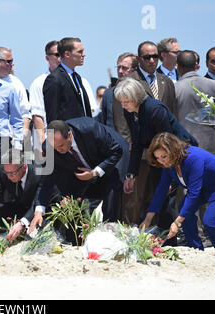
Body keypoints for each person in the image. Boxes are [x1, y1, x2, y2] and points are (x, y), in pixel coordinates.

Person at [115, 77, 196, 242]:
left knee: (169, 194)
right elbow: (137, 143)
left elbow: (167, 142)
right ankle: (166, 233)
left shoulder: (155, 109)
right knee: (158, 193)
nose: (123, 105)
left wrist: (171, 174)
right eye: (121, 102)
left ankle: (180, 236)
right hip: (157, 155)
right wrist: (131, 174)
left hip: (177, 153)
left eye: (126, 101)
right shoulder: (129, 111)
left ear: (136, 98)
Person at [33, 118, 128, 242]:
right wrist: (39, 211)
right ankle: (75, 240)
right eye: (55, 148)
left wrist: (95, 172)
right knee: (69, 197)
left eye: (61, 145)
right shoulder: (50, 148)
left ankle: (112, 236)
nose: (58, 150)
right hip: (78, 169)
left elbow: (116, 151)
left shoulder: (89, 128)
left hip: (110, 159)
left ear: (69, 135)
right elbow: (46, 180)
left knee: (112, 191)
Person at [142, 132, 215, 250]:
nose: (162, 162)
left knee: (209, 222)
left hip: (210, 187)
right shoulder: (169, 164)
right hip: (203, 188)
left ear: (172, 150)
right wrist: (148, 218)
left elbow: (193, 193)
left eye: (164, 156)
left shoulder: (193, 157)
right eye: (158, 158)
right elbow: (162, 189)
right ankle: (195, 248)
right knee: (184, 211)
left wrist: (176, 222)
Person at [0, 148, 57, 242]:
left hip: (42, 210)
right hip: (21, 206)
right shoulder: (4, 171)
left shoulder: (38, 174)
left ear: (24, 167)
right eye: (7, 173)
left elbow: (37, 204)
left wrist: (22, 223)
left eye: (12, 173)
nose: (9, 177)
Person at [99, 52, 139, 223]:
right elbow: (104, 122)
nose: (121, 72)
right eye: (119, 68)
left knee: (133, 198)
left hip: (137, 152)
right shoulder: (109, 94)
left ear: (134, 70)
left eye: (125, 68)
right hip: (114, 153)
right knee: (112, 195)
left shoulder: (140, 91)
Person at [43, 37, 93, 123]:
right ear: (67, 54)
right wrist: (51, 137)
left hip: (83, 134)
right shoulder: (54, 79)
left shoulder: (77, 78)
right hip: (65, 135)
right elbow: (51, 116)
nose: (84, 54)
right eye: (79, 52)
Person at [175, 50, 215, 155]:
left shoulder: (175, 89)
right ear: (196, 65)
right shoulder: (213, 85)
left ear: (178, 67)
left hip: (186, 150)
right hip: (212, 148)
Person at [128, 41, 178, 117]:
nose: (152, 61)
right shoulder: (128, 81)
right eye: (147, 57)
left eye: (155, 57)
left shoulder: (167, 82)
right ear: (138, 59)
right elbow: (122, 118)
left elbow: (173, 114)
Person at [29, 40, 61, 151]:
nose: (60, 57)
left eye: (63, 53)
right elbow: (37, 116)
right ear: (47, 58)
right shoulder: (38, 83)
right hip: (47, 143)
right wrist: (43, 144)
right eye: (57, 54)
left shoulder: (79, 80)